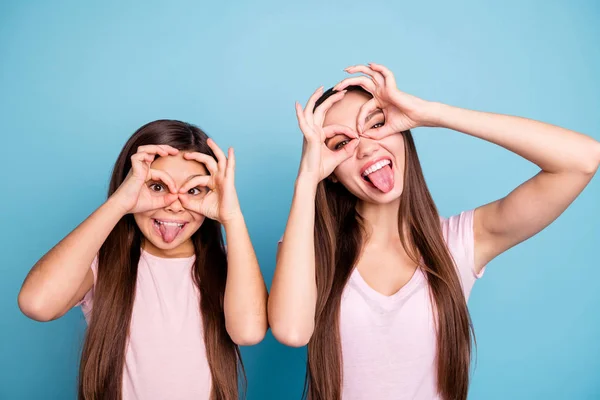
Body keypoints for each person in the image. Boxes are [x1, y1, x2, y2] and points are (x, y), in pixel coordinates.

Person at [268, 63, 600, 400]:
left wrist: (432, 114)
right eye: (340, 144)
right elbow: (291, 331)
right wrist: (308, 178)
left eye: (377, 124)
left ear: (401, 131)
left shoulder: (458, 242)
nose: (366, 147)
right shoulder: (307, 249)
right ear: (332, 172)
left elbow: (582, 160)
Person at [18, 119, 268, 400]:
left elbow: (249, 332)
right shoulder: (101, 261)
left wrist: (232, 217)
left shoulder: (228, 264)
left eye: (193, 190)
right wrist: (120, 202)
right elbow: (36, 304)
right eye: (158, 187)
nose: (174, 204)